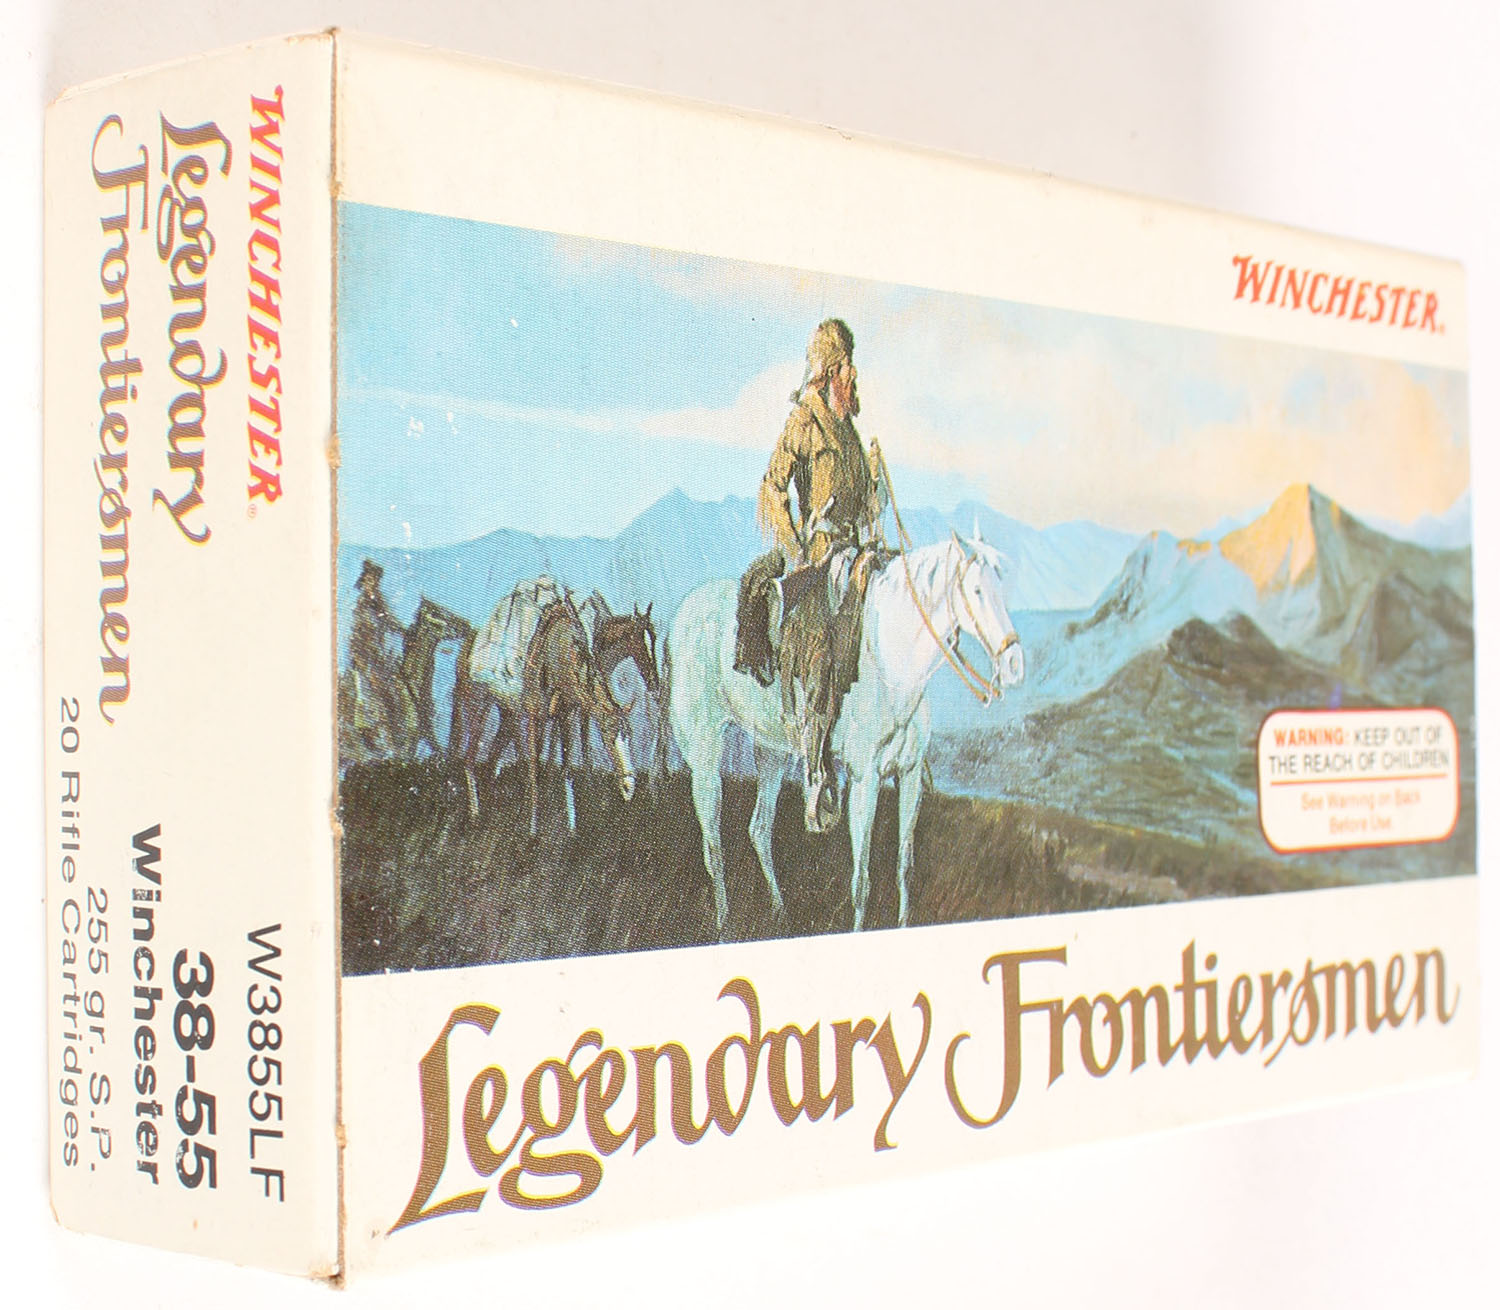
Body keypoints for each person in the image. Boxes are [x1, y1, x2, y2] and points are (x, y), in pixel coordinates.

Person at [737, 319, 888, 813]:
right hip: (816, 552)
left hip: (853, 548)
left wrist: (875, 486)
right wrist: (794, 545)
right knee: (820, 643)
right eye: (846, 366)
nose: (854, 375)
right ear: (829, 370)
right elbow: (772, 487)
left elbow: (864, 505)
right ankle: (816, 770)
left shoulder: (850, 432)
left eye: (852, 365)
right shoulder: (804, 421)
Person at [348, 559, 407, 755]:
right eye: (369, 580)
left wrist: (405, 632)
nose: (373, 583)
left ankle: (394, 740)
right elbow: (357, 638)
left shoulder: (379, 602)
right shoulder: (361, 606)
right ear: (364, 582)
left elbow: (390, 621)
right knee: (369, 699)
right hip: (363, 658)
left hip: (378, 657)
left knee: (390, 695)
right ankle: (374, 741)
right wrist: (363, 663)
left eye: (375, 580)